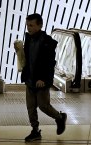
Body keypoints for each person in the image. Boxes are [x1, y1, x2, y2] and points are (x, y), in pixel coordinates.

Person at [16, 13, 67, 143]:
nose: (29, 28)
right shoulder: (28, 39)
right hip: (30, 79)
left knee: (43, 105)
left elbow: (50, 63)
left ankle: (59, 117)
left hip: (41, 81)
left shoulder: (48, 42)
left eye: (32, 25)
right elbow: (27, 59)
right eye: (27, 25)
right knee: (31, 107)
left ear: (40, 25)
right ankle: (35, 131)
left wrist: (43, 79)